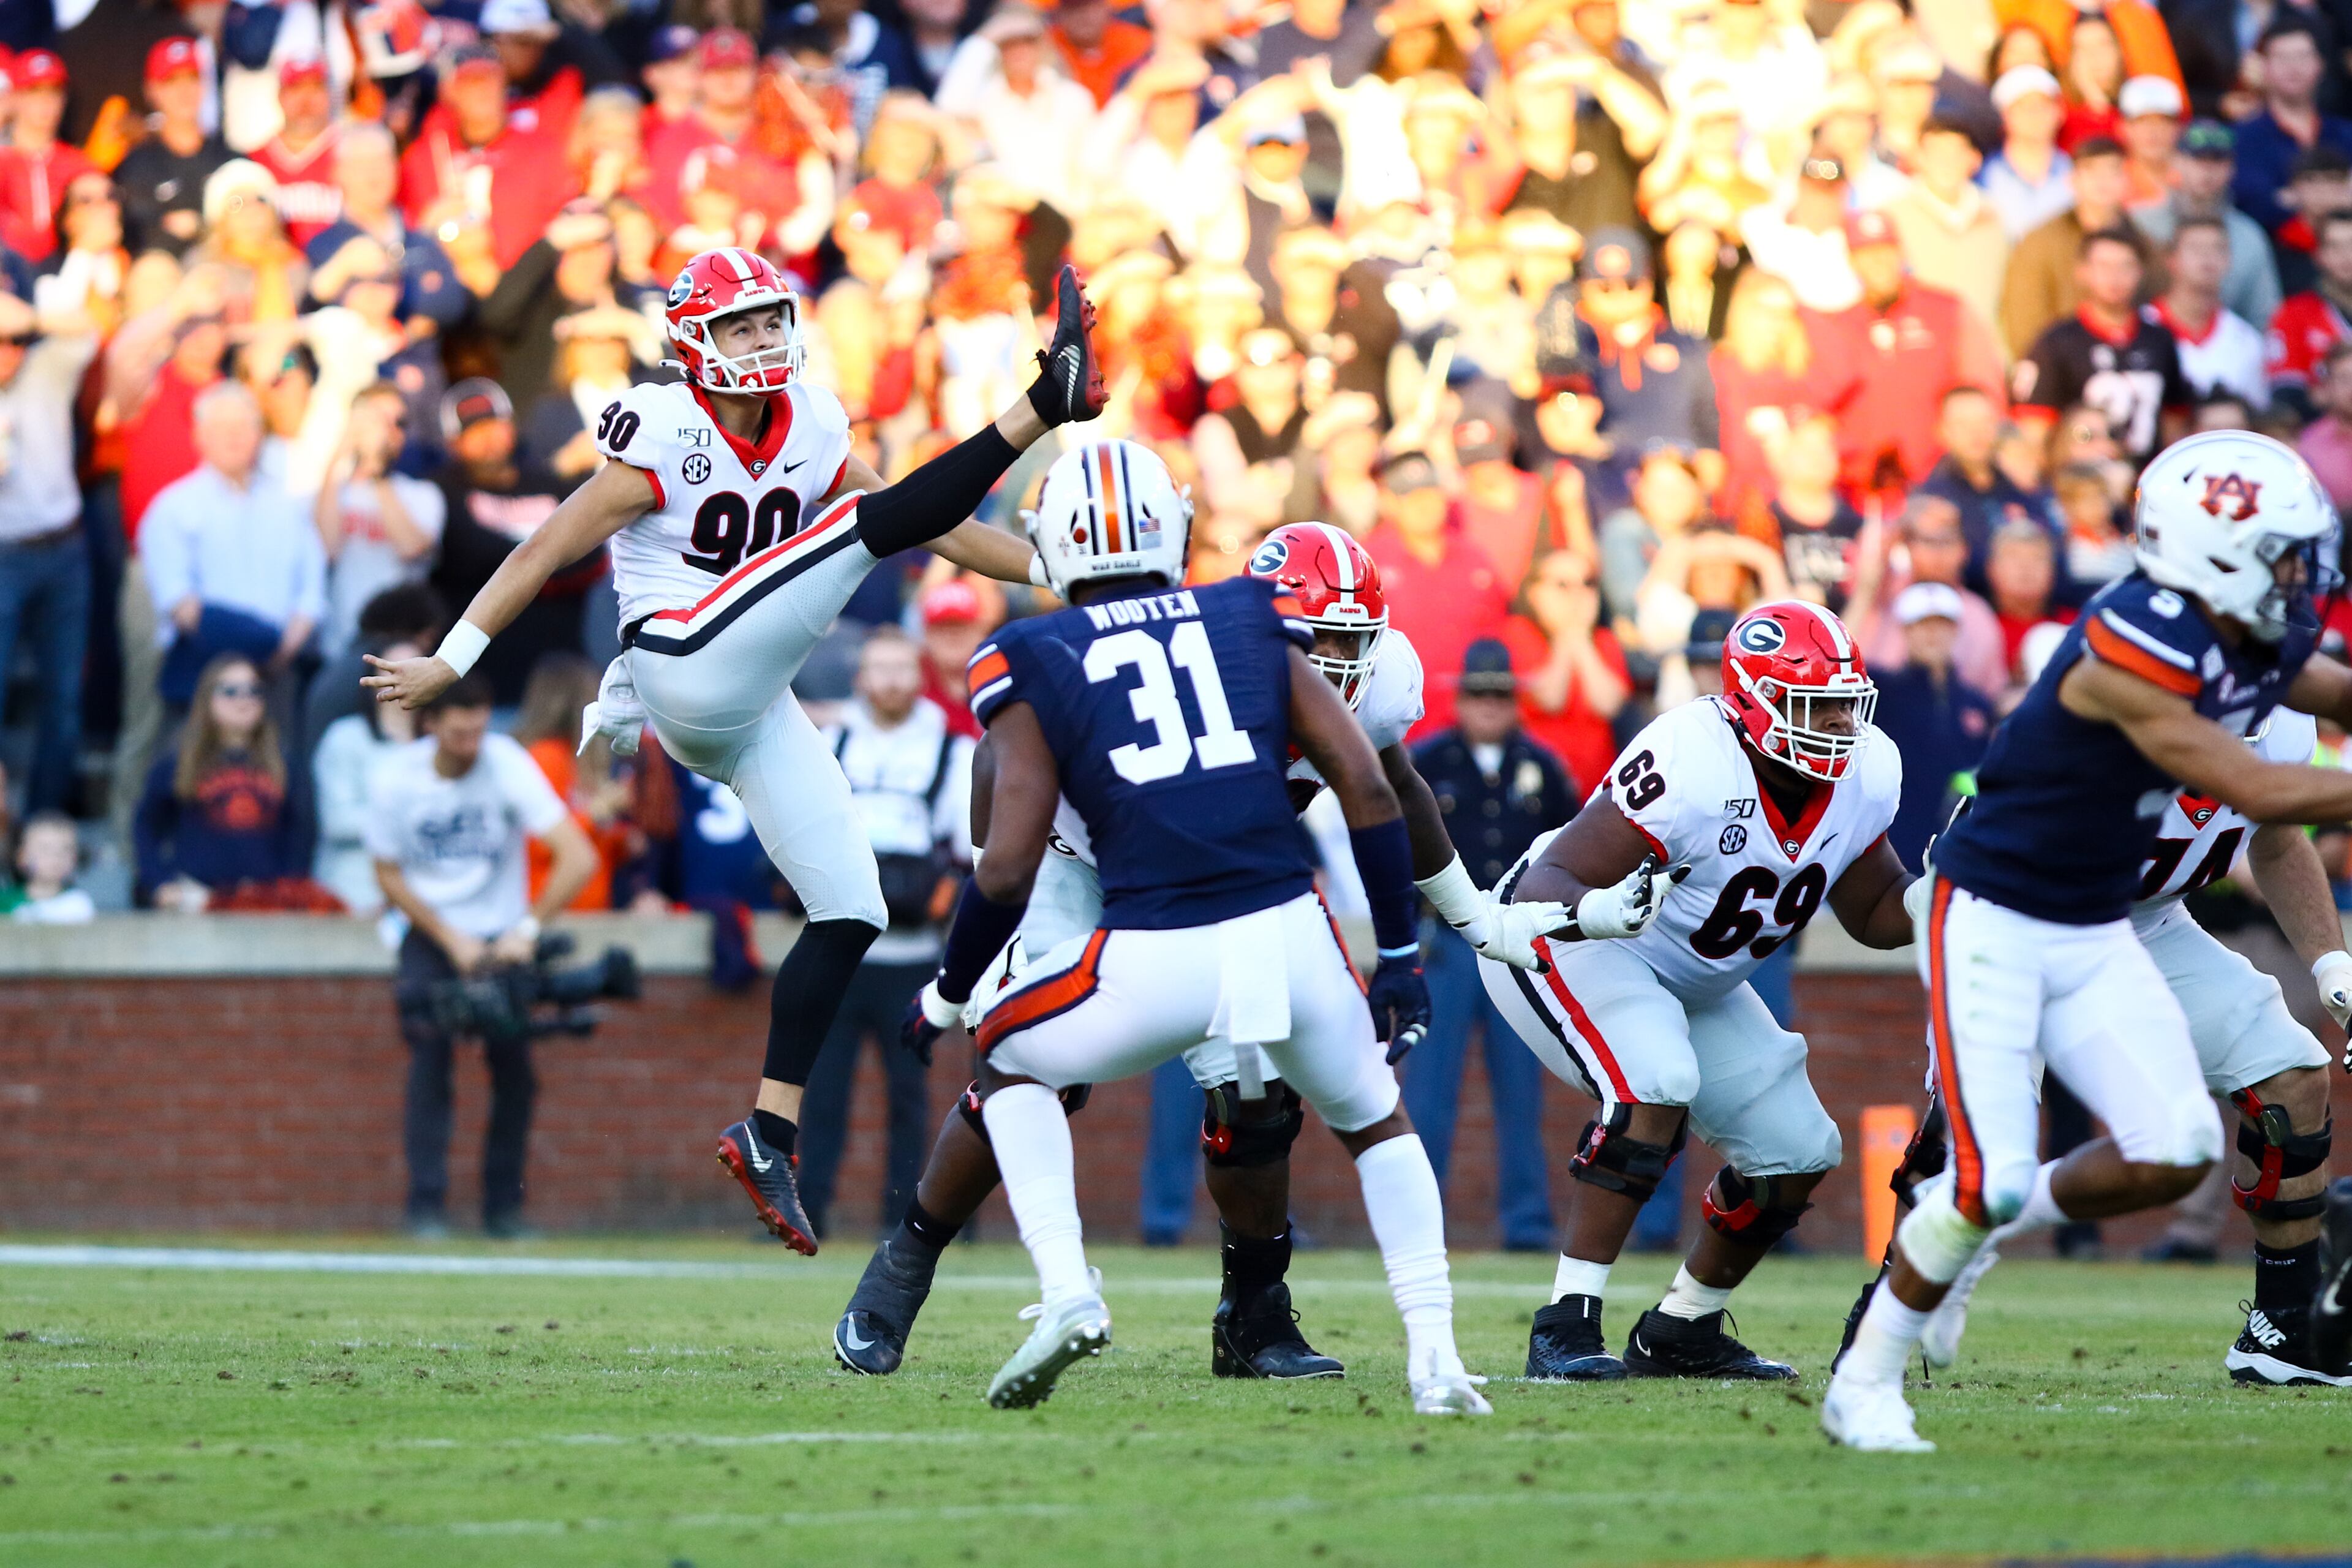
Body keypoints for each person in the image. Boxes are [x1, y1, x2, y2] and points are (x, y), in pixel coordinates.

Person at [364, 255, 1104, 1254]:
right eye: (739, 327)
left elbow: (936, 524)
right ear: (692, 343)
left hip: (753, 698)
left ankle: (768, 1131)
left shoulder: (812, 424)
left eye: (769, 322)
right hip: (678, 661)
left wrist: (1075, 570)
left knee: (853, 909)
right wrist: (453, 660)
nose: (761, 341)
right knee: (859, 525)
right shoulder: (662, 429)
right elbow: (544, 549)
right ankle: (1041, 404)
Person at [835, 513, 1567, 1383]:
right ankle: (906, 1265)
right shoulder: (1179, 653)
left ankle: (1254, 1313)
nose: (1334, 662)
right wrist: (995, 879)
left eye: (1351, 641)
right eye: (1316, 639)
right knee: (1031, 1069)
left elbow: (1390, 791)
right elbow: (1001, 760)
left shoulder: (1377, 686)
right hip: (1074, 857)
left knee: (1256, 1098)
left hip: (1210, 880)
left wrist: (1468, 918)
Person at [1822, 431, 2352, 1451]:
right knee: (1982, 1171)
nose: (2301, 578)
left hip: (2111, 919)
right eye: (2281, 557)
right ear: (2215, 556)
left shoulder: (2238, 634)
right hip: (1994, 912)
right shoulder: (2129, 640)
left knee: (2177, 1149)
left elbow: (2333, 694)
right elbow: (2253, 787)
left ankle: (1983, 1224)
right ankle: (1865, 1381)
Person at [1487, 601, 1917, 1384]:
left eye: (1844, 704)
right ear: (1754, 703)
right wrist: (1597, 911)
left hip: (1696, 974)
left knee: (1798, 1148)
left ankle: (1681, 1327)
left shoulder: (1868, 770)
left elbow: (1874, 912)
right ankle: (1564, 1324)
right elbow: (1552, 878)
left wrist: (1942, 892)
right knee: (1655, 1079)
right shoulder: (1692, 759)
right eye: (1812, 705)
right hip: (1578, 939)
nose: (1835, 724)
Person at [368, 675, 600, 1238]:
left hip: (502, 937)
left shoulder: (507, 762)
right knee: (429, 1065)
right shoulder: (395, 777)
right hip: (431, 935)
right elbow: (387, 873)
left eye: (479, 729)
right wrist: (451, 939)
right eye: (458, 733)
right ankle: (425, 1209)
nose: (471, 743)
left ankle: (504, 1211)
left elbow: (578, 856)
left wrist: (526, 930)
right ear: (430, 725)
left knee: (516, 1074)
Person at [796, 625, 972, 1238]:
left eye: (903, 668)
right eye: (881, 668)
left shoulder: (952, 748)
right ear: (861, 677)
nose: (892, 681)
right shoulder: (831, 740)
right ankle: (807, 1212)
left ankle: (906, 1219)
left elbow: (965, 849)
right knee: (822, 1093)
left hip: (914, 953)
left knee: (909, 1098)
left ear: (920, 676)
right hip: (842, 949)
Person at [1404, 639, 1574, 1250]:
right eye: (1478, 692)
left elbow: (1572, 850)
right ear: (1459, 699)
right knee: (1428, 1093)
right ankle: (1417, 1222)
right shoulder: (1426, 763)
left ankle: (1527, 1221)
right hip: (1446, 943)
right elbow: (1396, 848)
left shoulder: (1543, 766)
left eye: (1500, 693)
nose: (1489, 704)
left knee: (1521, 1092)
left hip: (1519, 946)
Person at [138, 382, 327, 717]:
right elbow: (180, 605)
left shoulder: (288, 505)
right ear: (200, 436)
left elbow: (312, 592)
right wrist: (252, 655)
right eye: (222, 427)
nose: (234, 437)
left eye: (243, 426)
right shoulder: (173, 508)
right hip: (204, 677)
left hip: (280, 673)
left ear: (260, 434)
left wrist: (281, 654)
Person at [0, 288, 100, 813]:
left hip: (63, 548)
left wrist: (31, 318)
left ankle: (45, 825)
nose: (7, 352)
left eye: (15, 341)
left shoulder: (45, 369)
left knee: (64, 695)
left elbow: (89, 324)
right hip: (4, 553)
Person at [133, 654, 310, 910]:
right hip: (196, 896)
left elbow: (301, 832)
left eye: (254, 691)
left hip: (264, 900)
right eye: (230, 691)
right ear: (207, 698)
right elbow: (145, 824)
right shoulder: (179, 760)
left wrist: (291, 886)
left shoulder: (284, 762)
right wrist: (159, 882)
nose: (244, 700)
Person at [2010, 227, 2193, 468]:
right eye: (2104, 266)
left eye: (2125, 266)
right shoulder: (2055, 343)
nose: (2114, 277)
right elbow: (2034, 434)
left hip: (2145, 480)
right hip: (2079, 482)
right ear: (2082, 271)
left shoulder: (2160, 339)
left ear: (2141, 272)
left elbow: (2175, 424)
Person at [1871, 582, 1995, 869]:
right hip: (1896, 848)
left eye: (1941, 625)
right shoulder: (1882, 693)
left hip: (1962, 850)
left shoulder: (1977, 703)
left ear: (1956, 631)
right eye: (1922, 625)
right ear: (1906, 631)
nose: (1933, 634)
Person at [317, 382, 445, 659]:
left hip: (398, 651)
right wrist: (343, 450)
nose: (390, 431)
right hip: (338, 649)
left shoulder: (423, 494)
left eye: (400, 423)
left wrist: (377, 471)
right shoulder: (332, 491)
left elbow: (411, 547)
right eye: (379, 420)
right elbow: (326, 548)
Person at [2131, 120, 2280, 333]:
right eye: (2198, 158)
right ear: (2176, 161)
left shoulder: (2249, 236)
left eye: (2217, 160)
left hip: (2224, 347)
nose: (2207, 170)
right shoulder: (2140, 224)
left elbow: (2265, 316)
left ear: (2232, 168)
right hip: (2145, 345)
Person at [2001, 137, 2136, 358]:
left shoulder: (2142, 242)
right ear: (2072, 180)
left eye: (2112, 172)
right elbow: (2023, 318)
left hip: (2130, 366)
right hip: (2060, 367)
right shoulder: (2040, 242)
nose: (2102, 182)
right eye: (2091, 171)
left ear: (2126, 180)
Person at [2229, 18, 2352, 240]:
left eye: (2302, 56)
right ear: (2264, 67)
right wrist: (2336, 195)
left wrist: (2291, 197)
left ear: (2320, 64)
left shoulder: (2345, 134)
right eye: (2282, 58)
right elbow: (2253, 202)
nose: (2293, 67)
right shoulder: (2243, 139)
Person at [113, 37, 231, 258]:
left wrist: (198, 225)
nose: (184, 91)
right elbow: (137, 234)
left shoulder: (228, 158)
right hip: (163, 267)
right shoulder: (136, 166)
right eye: (171, 81)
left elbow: (245, 211)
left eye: (192, 79)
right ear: (151, 90)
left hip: (224, 266)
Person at [2150, 217, 2268, 410]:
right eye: (2195, 248)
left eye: (2218, 249)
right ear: (2171, 259)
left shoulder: (2247, 341)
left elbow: (2256, 414)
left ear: (2229, 260)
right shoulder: (2141, 327)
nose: (2207, 257)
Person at [2266, 210, 2352, 420]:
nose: (2346, 255)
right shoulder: (2293, 314)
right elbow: (2285, 398)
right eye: (2335, 246)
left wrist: (2326, 392)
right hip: (2316, 435)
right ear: (2319, 254)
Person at [5, 811, 96, 924]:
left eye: (65, 849)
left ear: (75, 857)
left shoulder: (79, 904)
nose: (56, 857)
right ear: (23, 857)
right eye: (45, 849)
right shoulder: (5, 902)